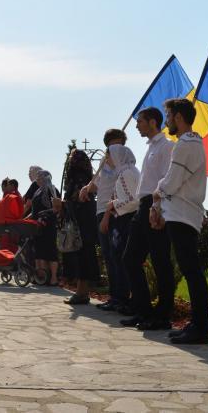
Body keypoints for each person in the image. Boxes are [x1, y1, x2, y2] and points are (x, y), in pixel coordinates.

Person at [156, 98, 208, 345]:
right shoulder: (190, 143)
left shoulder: (186, 145)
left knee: (192, 272)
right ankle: (197, 324)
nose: (166, 121)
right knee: (191, 271)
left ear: (178, 117)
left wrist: (158, 193)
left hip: (182, 213)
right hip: (181, 213)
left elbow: (172, 181)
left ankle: (200, 327)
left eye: (168, 116)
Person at [121, 106, 176, 332]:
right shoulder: (151, 148)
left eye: (140, 121)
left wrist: (157, 207)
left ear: (153, 122)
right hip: (143, 207)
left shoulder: (166, 147)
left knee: (160, 261)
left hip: (156, 207)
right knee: (130, 259)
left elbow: (165, 180)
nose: (137, 125)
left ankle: (163, 315)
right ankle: (143, 310)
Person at [84, 129, 125, 311]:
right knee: (108, 256)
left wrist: (109, 212)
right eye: (114, 144)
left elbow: (121, 184)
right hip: (101, 209)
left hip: (114, 210)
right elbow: (99, 183)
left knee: (117, 256)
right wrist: (87, 188)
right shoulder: (104, 159)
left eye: (120, 143)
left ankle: (122, 297)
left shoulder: (121, 157)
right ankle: (114, 296)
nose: (117, 147)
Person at [98, 139, 140, 313]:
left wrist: (112, 206)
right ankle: (118, 297)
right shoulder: (124, 172)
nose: (107, 160)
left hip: (126, 219)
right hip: (121, 218)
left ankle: (123, 298)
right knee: (116, 259)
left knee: (122, 260)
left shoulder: (127, 173)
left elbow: (133, 200)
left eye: (108, 156)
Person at [61, 149, 100, 305]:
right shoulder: (84, 177)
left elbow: (78, 198)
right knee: (82, 254)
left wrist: (63, 203)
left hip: (81, 221)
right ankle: (82, 292)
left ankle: (81, 292)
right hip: (83, 220)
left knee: (82, 255)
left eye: (71, 158)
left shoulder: (79, 178)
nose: (69, 161)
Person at [27, 170, 60, 286]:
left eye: (40, 177)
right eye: (38, 177)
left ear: (46, 178)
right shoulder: (38, 191)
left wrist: (44, 215)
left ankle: (54, 278)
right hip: (38, 225)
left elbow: (56, 208)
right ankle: (41, 276)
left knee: (50, 252)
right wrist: (26, 219)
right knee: (39, 251)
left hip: (49, 225)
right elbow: (34, 211)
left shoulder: (52, 190)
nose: (38, 179)